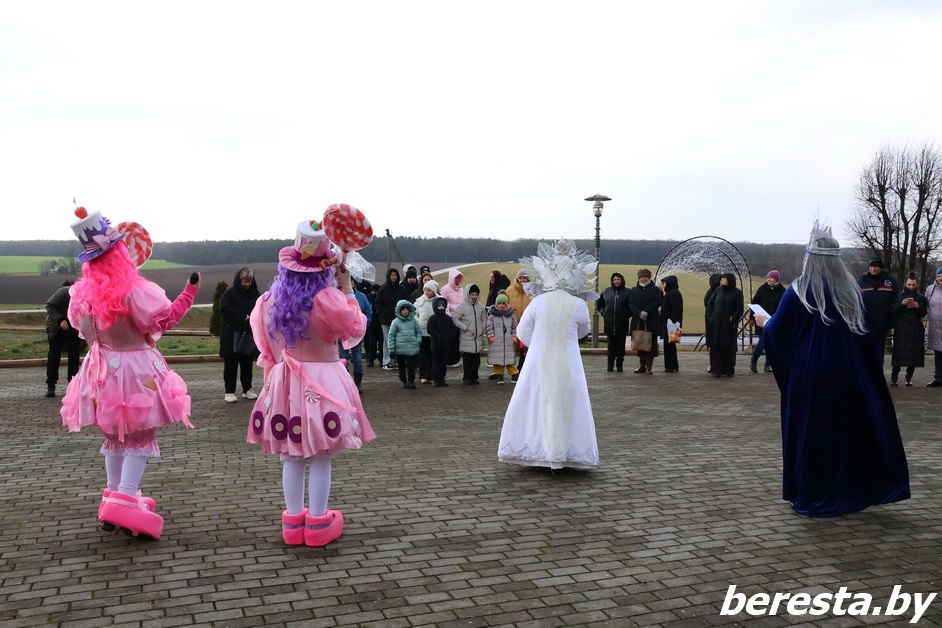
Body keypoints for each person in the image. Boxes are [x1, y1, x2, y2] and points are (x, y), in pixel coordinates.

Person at [61, 208, 199, 539]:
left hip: (100, 369)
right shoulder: (134, 289)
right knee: (140, 435)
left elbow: (85, 332)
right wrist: (189, 293)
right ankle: (124, 499)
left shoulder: (81, 293)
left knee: (116, 436)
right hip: (135, 369)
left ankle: (114, 496)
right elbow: (164, 320)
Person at [763, 223, 909, 517]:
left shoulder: (799, 291)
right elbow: (868, 336)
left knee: (812, 432)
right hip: (848, 373)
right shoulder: (851, 292)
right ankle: (846, 488)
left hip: (810, 373)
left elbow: (777, 332)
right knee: (843, 431)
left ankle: (813, 492)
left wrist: (765, 325)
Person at [246, 218, 375, 546]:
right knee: (320, 454)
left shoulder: (268, 301)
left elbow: (264, 345)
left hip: (285, 381)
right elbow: (355, 329)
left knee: (291, 454)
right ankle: (318, 522)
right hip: (323, 380)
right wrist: (347, 288)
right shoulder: (328, 298)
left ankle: (292, 523)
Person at [498, 239, 598, 469]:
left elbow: (522, 332)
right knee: (568, 401)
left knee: (535, 400)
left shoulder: (538, 302)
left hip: (539, 359)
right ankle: (566, 451)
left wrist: (539, 344)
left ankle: (537, 448)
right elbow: (583, 331)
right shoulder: (578, 304)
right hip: (568, 359)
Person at [219, 268, 261, 403]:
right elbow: (224, 309)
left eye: (249, 281)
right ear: (239, 279)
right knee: (230, 363)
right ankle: (229, 392)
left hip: (247, 334)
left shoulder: (255, 294)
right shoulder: (229, 293)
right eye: (244, 281)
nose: (247, 284)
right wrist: (243, 316)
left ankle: (247, 389)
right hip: (231, 334)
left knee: (247, 363)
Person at [44, 280, 83, 397]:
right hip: (56, 327)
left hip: (74, 328)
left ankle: (73, 385)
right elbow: (50, 305)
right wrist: (60, 320)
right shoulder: (63, 292)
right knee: (54, 355)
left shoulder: (85, 296)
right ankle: (51, 385)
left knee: (74, 355)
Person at [889, 272, 928, 387]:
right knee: (898, 354)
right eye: (909, 284)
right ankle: (894, 377)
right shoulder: (899, 296)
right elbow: (894, 311)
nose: (911, 287)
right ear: (905, 284)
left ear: (917, 284)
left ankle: (909, 377)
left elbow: (923, 313)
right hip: (901, 328)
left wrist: (916, 306)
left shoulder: (921, 297)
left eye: (913, 285)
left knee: (913, 354)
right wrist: (902, 304)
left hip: (915, 328)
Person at [857, 257, 899, 362]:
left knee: (879, 348)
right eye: (871, 267)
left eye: (875, 267)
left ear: (880, 268)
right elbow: (855, 297)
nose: (873, 269)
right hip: (865, 320)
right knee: (865, 348)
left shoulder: (890, 280)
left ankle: (878, 367)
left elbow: (896, 299)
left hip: (882, 320)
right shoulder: (862, 279)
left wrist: (892, 315)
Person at [705, 273, 744, 377]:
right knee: (715, 347)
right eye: (721, 279)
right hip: (715, 323)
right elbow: (710, 303)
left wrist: (734, 318)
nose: (721, 281)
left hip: (727, 325)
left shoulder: (737, 293)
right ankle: (716, 370)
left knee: (727, 347)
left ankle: (727, 369)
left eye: (723, 279)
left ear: (729, 281)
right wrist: (710, 316)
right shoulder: (718, 290)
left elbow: (739, 308)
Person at [338, 280, 372, 393]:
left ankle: (357, 383)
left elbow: (368, 311)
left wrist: (364, 325)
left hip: (356, 334)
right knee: (343, 358)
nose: (349, 283)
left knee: (357, 358)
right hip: (342, 333)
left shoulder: (361, 296)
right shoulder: (337, 296)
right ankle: (345, 383)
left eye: (351, 281)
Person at [749, 270, 786, 373]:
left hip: (775, 321)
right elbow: (754, 303)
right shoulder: (762, 289)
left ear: (776, 279)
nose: (768, 279)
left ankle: (768, 364)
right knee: (763, 341)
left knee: (772, 343)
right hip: (761, 320)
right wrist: (752, 318)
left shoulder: (783, 291)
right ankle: (754, 359)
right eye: (768, 277)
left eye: (771, 277)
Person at [628, 268, 662, 374]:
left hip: (651, 320)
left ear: (649, 278)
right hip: (638, 321)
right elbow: (631, 303)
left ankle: (649, 366)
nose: (643, 279)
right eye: (641, 277)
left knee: (651, 344)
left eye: (645, 277)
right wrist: (639, 312)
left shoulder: (655, 289)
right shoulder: (633, 290)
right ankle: (642, 365)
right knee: (639, 342)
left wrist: (646, 311)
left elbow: (657, 302)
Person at [596, 272, 630, 372]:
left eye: (618, 279)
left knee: (620, 347)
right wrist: (603, 312)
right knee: (611, 346)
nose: (616, 281)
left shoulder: (628, 292)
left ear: (622, 280)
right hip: (609, 324)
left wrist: (627, 313)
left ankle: (619, 365)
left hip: (622, 324)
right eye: (614, 279)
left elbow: (631, 305)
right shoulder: (606, 291)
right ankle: (610, 365)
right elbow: (600, 303)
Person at [453, 284, 487, 385]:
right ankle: (467, 377)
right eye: (472, 294)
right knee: (468, 359)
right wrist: (465, 327)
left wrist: (483, 327)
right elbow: (455, 318)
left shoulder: (481, 307)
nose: (474, 296)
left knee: (476, 360)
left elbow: (484, 319)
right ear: (468, 294)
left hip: (478, 337)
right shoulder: (461, 307)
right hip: (467, 337)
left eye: (476, 294)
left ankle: (475, 377)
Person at [374, 267, 407, 370]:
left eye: (395, 275)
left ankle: (397, 361)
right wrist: (384, 312)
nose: (393, 277)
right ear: (388, 276)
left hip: (399, 319)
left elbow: (406, 302)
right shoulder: (383, 289)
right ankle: (387, 361)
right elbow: (377, 303)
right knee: (388, 340)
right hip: (386, 320)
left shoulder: (401, 290)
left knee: (398, 340)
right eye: (391, 275)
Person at [387, 299, 421, 389]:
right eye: (403, 310)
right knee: (401, 366)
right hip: (400, 348)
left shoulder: (414, 321)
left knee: (412, 366)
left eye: (407, 309)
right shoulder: (395, 322)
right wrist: (391, 348)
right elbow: (391, 335)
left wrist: (418, 341)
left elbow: (418, 332)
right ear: (399, 311)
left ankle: (411, 381)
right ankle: (403, 380)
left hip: (412, 348)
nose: (405, 311)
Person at [486, 291, 518, 384]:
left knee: (510, 359)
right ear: (496, 304)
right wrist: (491, 336)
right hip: (496, 341)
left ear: (506, 304)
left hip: (508, 342)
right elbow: (489, 327)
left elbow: (515, 327)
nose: (501, 305)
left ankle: (514, 375)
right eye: (499, 303)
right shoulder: (492, 316)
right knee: (498, 359)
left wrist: (514, 336)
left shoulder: (511, 316)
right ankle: (500, 376)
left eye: (503, 303)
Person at [426, 295, 456, 387]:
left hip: (445, 345)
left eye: (443, 306)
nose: (441, 308)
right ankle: (436, 379)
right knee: (436, 363)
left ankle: (442, 379)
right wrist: (438, 336)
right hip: (436, 345)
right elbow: (430, 329)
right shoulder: (432, 318)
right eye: (439, 306)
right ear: (435, 307)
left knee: (443, 363)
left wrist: (449, 337)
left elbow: (452, 329)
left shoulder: (448, 318)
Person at [505, 269, 532, 372]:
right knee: (511, 348)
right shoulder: (509, 290)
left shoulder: (532, 291)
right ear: (517, 279)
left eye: (525, 278)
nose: (522, 280)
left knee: (525, 349)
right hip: (512, 326)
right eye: (520, 278)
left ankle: (523, 370)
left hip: (527, 326)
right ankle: (511, 371)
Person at [413, 279, 440, 384]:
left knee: (434, 355)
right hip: (422, 332)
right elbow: (413, 313)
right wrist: (417, 321)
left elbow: (445, 314)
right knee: (424, 355)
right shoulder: (419, 301)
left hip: (435, 333)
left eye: (429, 290)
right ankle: (425, 375)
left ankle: (434, 375)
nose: (427, 292)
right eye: (425, 290)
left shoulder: (440, 300)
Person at [659, 275, 683, 373]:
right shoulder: (671, 293)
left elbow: (676, 309)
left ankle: (670, 366)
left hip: (671, 324)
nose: (663, 285)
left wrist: (672, 321)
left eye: (664, 283)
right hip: (669, 323)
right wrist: (661, 293)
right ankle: (673, 365)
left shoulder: (673, 293)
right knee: (670, 345)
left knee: (669, 346)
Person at [926, 267, 942, 387]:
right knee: (938, 353)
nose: (940, 279)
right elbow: (925, 304)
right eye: (938, 276)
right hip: (935, 326)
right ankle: (938, 378)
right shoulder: (930, 289)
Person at [365, 282, 382, 368]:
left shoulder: (368, 297)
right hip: (375, 322)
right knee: (375, 341)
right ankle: (375, 358)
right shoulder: (374, 298)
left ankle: (371, 359)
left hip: (374, 322)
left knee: (373, 342)